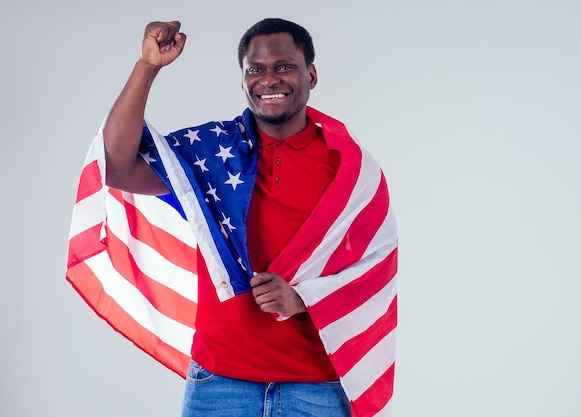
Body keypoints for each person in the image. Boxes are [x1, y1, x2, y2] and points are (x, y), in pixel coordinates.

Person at [71, 18, 398, 417]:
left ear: (311, 74)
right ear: (243, 79)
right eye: (255, 69)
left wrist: (302, 298)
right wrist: (147, 67)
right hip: (218, 383)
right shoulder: (209, 153)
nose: (269, 80)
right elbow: (116, 166)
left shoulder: (349, 166)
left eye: (284, 66)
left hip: (315, 388)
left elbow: (374, 269)